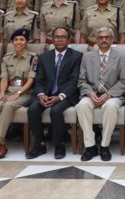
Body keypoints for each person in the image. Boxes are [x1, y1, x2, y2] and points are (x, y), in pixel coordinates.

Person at [0, 28, 38, 160]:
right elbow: (4, 78)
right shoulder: (6, 58)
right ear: (12, 42)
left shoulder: (33, 58)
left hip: (26, 92)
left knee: (8, 106)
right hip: (8, 90)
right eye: (16, 40)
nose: (18, 42)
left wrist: (19, 93)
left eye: (22, 39)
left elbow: (31, 80)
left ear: (27, 42)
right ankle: (2, 144)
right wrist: (1, 93)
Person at [26, 27, 83, 160]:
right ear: (52, 40)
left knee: (56, 111)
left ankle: (59, 144)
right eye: (57, 37)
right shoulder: (44, 57)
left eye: (63, 37)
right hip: (46, 94)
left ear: (69, 40)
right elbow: (39, 80)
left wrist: (60, 96)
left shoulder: (77, 56)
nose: (60, 39)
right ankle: (39, 144)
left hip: (66, 95)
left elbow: (74, 80)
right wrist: (40, 95)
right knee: (33, 109)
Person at [76, 27, 125, 161]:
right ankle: (90, 146)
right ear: (96, 40)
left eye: (107, 37)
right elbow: (81, 80)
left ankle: (105, 145)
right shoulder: (87, 57)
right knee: (82, 106)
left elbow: (124, 81)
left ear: (112, 40)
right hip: (92, 93)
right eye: (100, 38)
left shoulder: (121, 57)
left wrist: (109, 94)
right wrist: (89, 93)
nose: (104, 40)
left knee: (110, 107)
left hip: (113, 95)